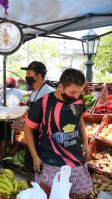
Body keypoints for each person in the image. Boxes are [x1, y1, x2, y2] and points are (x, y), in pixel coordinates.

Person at [24, 69, 92, 198]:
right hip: (51, 161)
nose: (77, 96)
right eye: (73, 92)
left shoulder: (78, 99)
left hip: (76, 159)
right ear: (61, 87)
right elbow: (27, 129)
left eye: (80, 92)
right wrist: (34, 157)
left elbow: (80, 120)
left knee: (80, 195)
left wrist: (86, 144)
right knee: (51, 195)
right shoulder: (43, 103)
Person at [12, 61, 55, 177]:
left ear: (39, 76)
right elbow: (34, 117)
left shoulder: (50, 93)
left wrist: (27, 127)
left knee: (38, 174)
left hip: (44, 142)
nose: (26, 76)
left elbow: (52, 122)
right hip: (32, 139)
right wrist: (24, 124)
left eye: (29, 73)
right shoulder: (33, 93)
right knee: (30, 171)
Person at [0, 77, 30, 161]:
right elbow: (29, 93)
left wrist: (17, 84)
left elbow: (13, 90)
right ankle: (2, 159)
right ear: (15, 85)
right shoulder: (19, 92)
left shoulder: (3, 90)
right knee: (4, 139)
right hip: (8, 118)